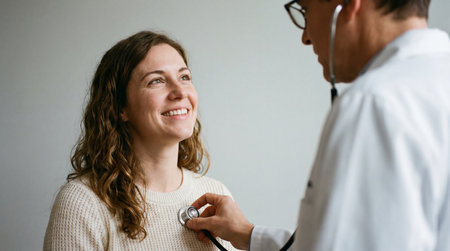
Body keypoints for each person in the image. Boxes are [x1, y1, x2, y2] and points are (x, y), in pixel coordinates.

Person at [186, 0, 450, 250]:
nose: (306, 37)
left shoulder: (372, 103)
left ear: (347, 4)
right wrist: (248, 235)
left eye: (306, 10)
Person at [44, 31, 237, 251]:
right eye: (156, 81)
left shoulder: (215, 194)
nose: (180, 92)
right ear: (120, 107)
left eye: (184, 77)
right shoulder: (82, 202)